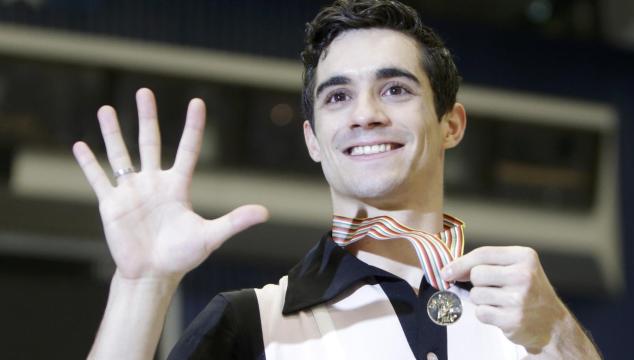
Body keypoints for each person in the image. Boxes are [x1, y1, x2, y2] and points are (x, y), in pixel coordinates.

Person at [74, 1, 601, 359]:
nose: (364, 114)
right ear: (311, 139)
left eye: (395, 89)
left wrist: (558, 333)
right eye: (337, 96)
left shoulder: (524, 315)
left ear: (451, 125)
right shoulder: (255, 324)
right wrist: (141, 285)